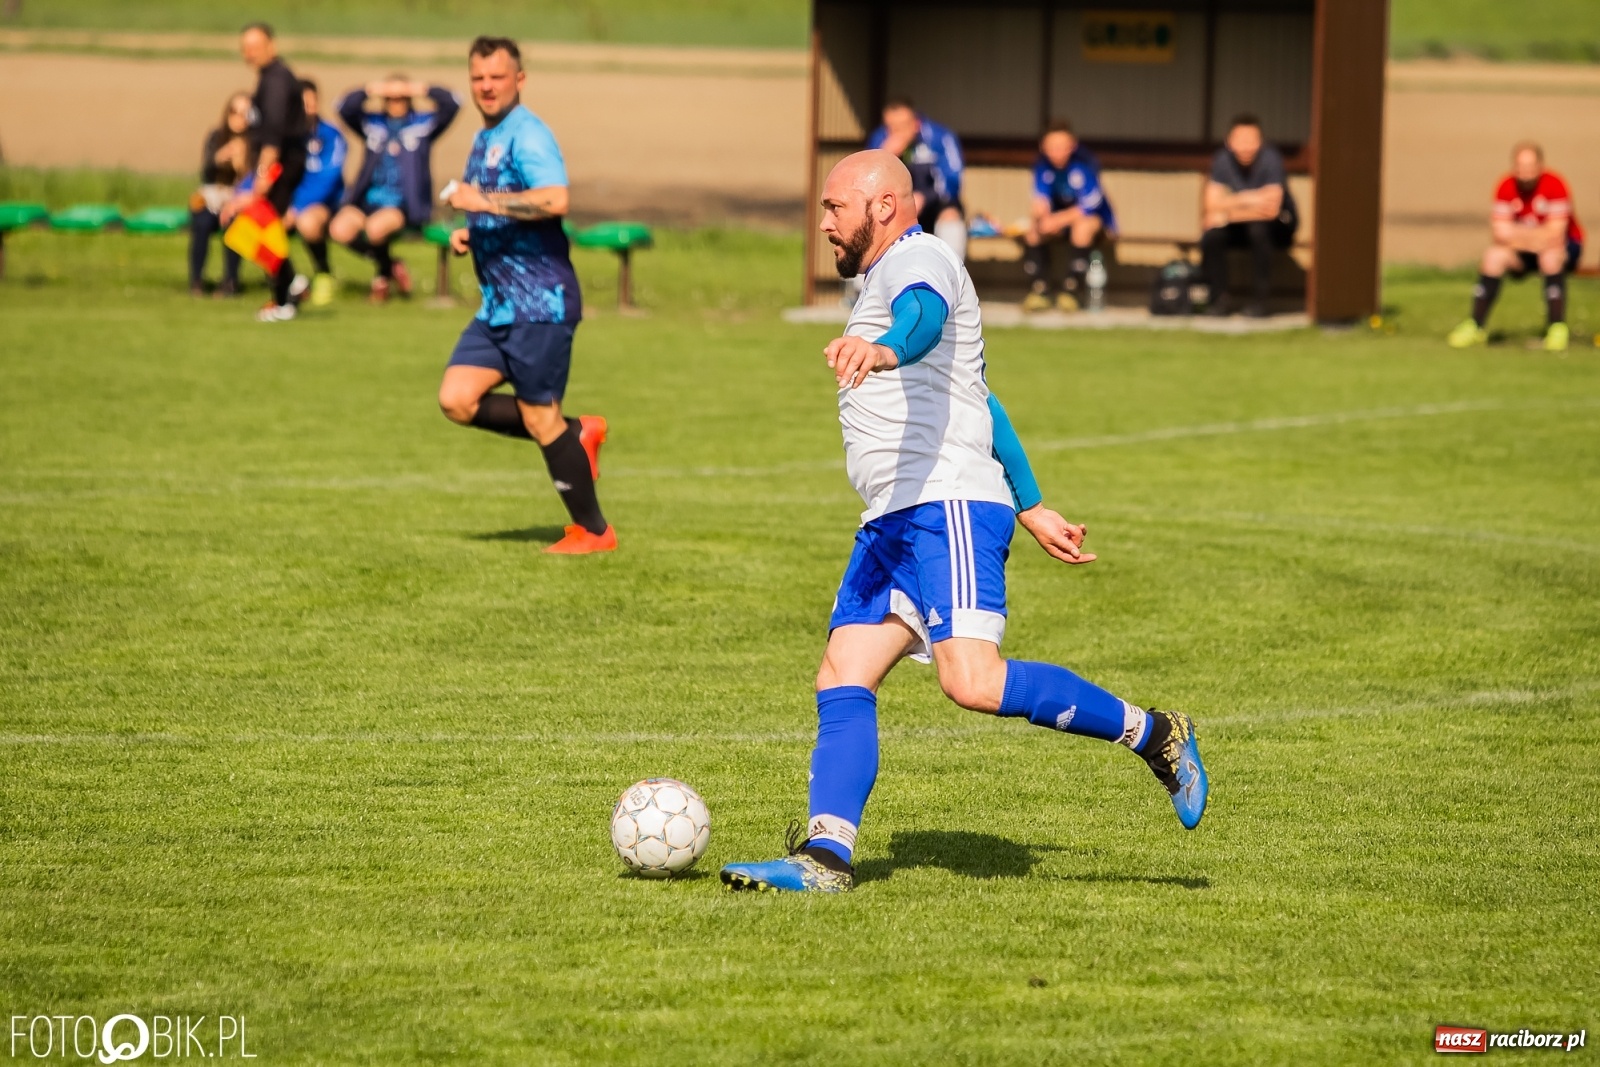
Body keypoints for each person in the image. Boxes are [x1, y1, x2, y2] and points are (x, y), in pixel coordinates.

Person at [719, 150, 1209, 894]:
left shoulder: (922, 262)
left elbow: (922, 318)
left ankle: (1155, 733)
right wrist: (1033, 500)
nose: (823, 224)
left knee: (973, 681)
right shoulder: (880, 277)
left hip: (943, 505)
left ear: (882, 206)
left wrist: (882, 348)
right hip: (891, 518)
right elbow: (982, 399)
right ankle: (825, 860)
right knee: (842, 673)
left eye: (833, 208)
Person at [435, 36, 613, 555]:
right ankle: (576, 431)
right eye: (478, 78)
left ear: (520, 79)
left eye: (496, 77)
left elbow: (555, 199)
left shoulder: (527, 134)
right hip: (497, 307)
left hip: (541, 305)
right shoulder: (484, 135)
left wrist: (481, 201)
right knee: (456, 399)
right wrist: (474, 230)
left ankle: (595, 532)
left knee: (538, 417)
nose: (486, 87)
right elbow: (499, 211)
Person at [331, 74, 461, 303]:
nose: (396, 102)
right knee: (339, 229)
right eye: (391, 98)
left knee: (375, 229)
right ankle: (391, 265)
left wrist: (419, 88)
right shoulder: (373, 125)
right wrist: (372, 88)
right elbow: (343, 107)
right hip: (367, 200)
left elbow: (454, 102)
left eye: (401, 98)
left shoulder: (422, 125)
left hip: (402, 203)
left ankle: (381, 278)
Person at [1448, 142, 1584, 353]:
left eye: (1530, 166)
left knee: (1550, 257)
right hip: (1524, 252)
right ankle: (1475, 326)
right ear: (1514, 166)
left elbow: (1556, 234)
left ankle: (1557, 328)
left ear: (1540, 166)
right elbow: (1500, 234)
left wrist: (1519, 235)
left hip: (1564, 249)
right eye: (1521, 167)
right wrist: (1535, 238)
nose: (1526, 173)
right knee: (1493, 256)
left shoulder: (1555, 184)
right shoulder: (1505, 186)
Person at [238, 21, 308, 322]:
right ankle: (290, 283)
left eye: (256, 46)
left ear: (272, 46)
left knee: (265, 232)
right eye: (246, 48)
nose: (250, 53)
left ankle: (284, 300)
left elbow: (274, 134)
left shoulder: (277, 80)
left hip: (280, 165)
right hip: (276, 165)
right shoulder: (268, 78)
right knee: (259, 230)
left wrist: (263, 175)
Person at [1200, 115, 1298, 318]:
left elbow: (1270, 211)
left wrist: (1227, 211)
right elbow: (1210, 205)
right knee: (1212, 236)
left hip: (1279, 227)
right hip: (1241, 228)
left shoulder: (1271, 159)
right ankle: (1220, 300)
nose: (1246, 146)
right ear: (1230, 142)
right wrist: (1252, 198)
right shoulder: (1222, 160)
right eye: (1240, 140)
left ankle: (1260, 302)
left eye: (1251, 140)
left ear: (1260, 142)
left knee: (1258, 230)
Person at [1023, 120, 1117, 312]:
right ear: (1043, 147)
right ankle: (1040, 290)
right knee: (1032, 230)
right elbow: (1040, 200)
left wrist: (1057, 220)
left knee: (1082, 227)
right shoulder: (1042, 166)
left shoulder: (1084, 163)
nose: (1057, 152)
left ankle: (1071, 291)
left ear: (1072, 145)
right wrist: (1042, 217)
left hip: (1096, 223)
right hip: (1059, 222)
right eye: (1052, 147)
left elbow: (1089, 206)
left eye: (1061, 147)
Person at [867, 98, 967, 262]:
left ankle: (952, 270)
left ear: (915, 122)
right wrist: (885, 155)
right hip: (895, 207)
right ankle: (863, 284)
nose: (897, 132)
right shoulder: (880, 140)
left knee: (951, 215)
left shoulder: (940, 137)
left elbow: (953, 182)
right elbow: (867, 182)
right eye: (892, 127)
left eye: (902, 126)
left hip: (934, 205)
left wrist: (924, 197)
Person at [284, 79, 348, 308]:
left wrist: (296, 206)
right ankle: (286, 280)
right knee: (261, 224)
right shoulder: (288, 136)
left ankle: (323, 274)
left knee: (308, 223)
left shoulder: (331, 135)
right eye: (303, 102)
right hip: (292, 203)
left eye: (312, 101)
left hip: (326, 203)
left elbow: (327, 179)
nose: (308, 106)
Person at [188, 91, 251, 297]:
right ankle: (196, 280)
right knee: (202, 223)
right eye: (234, 111)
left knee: (233, 224)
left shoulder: (255, 142)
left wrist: (242, 164)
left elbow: (253, 181)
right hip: (213, 197)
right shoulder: (217, 136)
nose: (238, 118)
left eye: (244, 113)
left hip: (238, 200)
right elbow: (205, 173)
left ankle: (230, 281)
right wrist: (218, 159)